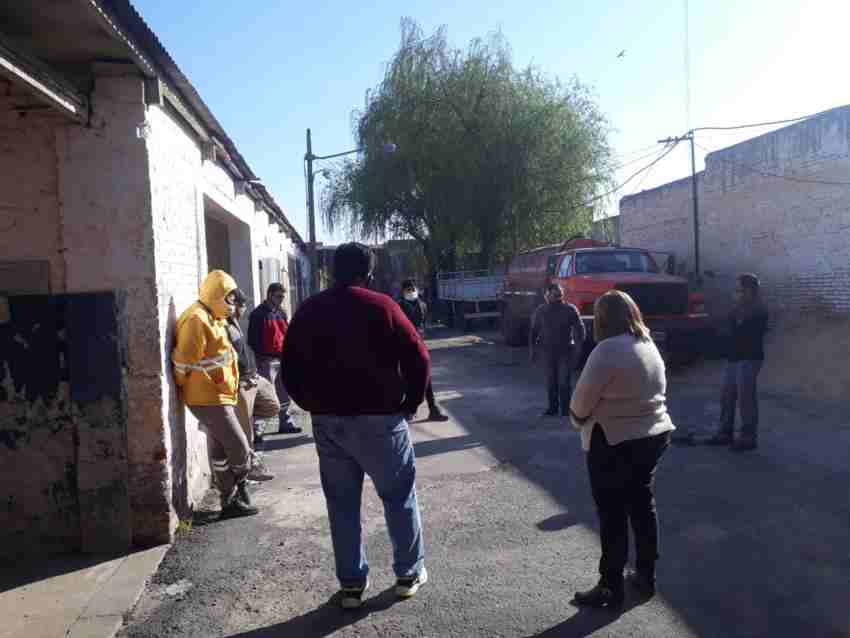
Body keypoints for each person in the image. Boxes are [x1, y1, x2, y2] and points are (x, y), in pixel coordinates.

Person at [281, 243, 430, 610]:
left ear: (331, 271)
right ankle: (407, 575)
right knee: (398, 498)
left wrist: (309, 404)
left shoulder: (310, 310)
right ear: (368, 272)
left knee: (342, 505)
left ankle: (351, 585)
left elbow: (289, 367)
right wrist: (409, 404)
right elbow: (418, 356)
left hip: (330, 423)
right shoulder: (383, 306)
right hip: (381, 420)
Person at [569, 290, 675, 607]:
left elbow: (580, 403)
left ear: (602, 318)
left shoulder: (606, 350)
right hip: (654, 435)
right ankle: (646, 576)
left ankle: (610, 586)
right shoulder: (648, 344)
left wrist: (577, 419)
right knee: (642, 507)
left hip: (613, 441)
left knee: (612, 515)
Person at [172, 270, 258, 519]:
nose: (232, 304)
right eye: (229, 298)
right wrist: (185, 387)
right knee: (239, 446)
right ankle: (239, 489)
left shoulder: (213, 316)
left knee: (220, 449)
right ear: (217, 295)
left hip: (217, 394)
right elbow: (182, 362)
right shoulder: (197, 319)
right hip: (207, 397)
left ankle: (229, 500)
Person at [706, 273, 769, 451]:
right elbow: (729, 329)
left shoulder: (758, 309)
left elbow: (744, 334)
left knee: (745, 398)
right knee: (727, 396)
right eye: (737, 290)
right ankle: (725, 433)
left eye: (740, 290)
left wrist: (730, 330)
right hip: (734, 357)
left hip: (749, 358)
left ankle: (748, 438)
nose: (737, 293)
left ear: (750, 290)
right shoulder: (737, 308)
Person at [226, 289, 280, 481]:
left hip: (253, 376)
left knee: (273, 405)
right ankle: (249, 470)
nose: (243, 309)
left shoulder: (233, 323)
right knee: (245, 434)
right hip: (241, 382)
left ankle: (246, 423)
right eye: (241, 305)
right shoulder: (222, 325)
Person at [248, 283, 302, 434]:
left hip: (282, 359)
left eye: (283, 297)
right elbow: (252, 340)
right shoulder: (258, 315)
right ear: (269, 295)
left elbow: (287, 333)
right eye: (278, 296)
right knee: (264, 395)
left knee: (284, 393)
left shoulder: (281, 313)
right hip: (267, 361)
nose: (281, 300)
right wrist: (262, 357)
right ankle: (257, 429)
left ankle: (286, 422)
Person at [529, 283, 586, 417]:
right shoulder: (541, 311)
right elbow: (533, 331)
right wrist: (532, 350)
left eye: (559, 295)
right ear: (547, 296)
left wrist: (578, 347)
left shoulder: (570, 309)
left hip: (565, 351)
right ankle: (553, 408)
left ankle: (566, 410)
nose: (558, 298)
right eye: (555, 295)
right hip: (547, 351)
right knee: (551, 381)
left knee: (564, 381)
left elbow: (580, 328)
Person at [397, 279, 449, 422]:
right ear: (402, 291)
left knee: (426, 376)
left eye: (412, 288)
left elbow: (422, 325)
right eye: (407, 289)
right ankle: (408, 409)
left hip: (420, 344)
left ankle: (433, 409)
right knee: (407, 377)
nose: (411, 291)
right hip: (404, 346)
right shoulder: (398, 306)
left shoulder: (423, 305)